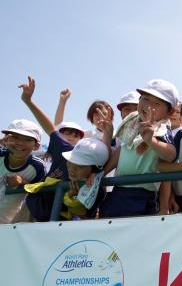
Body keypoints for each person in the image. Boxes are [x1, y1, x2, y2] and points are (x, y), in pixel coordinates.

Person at [18, 76, 113, 221]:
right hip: (33, 215)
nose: (72, 168)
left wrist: (74, 202)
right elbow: (51, 128)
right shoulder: (64, 148)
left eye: (80, 166)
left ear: (95, 170)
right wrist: (28, 101)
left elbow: (86, 218)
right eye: (71, 161)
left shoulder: (96, 187)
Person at [99, 79, 178, 218]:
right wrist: (101, 173)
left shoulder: (162, 128)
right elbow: (121, 151)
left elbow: (170, 155)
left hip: (143, 195)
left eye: (157, 104)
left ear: (170, 112)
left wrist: (151, 141)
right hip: (118, 191)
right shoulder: (132, 121)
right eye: (145, 99)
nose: (148, 106)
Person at [0, 119, 45, 224]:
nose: (20, 143)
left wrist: (23, 183)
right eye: (14, 137)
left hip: (7, 225)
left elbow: (41, 194)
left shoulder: (38, 166)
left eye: (28, 140)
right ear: (6, 138)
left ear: (36, 146)